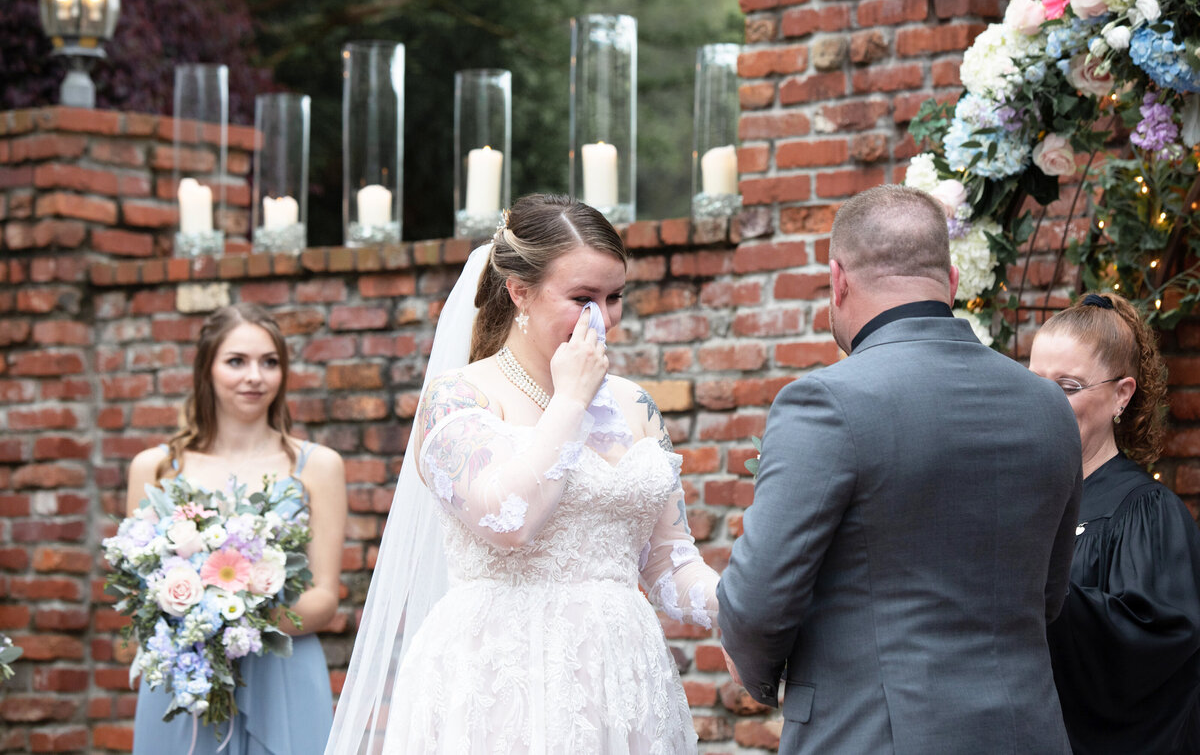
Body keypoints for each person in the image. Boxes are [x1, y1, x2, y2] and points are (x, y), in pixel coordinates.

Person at [324, 194, 718, 754]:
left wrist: (745, 603)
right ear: (519, 291)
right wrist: (571, 403)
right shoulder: (460, 398)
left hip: (620, 676)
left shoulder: (636, 405)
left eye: (615, 298)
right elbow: (508, 519)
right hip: (498, 676)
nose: (602, 320)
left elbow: (667, 562)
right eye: (583, 298)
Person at [717, 185, 1083, 754]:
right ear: (953, 281)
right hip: (1026, 730)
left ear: (838, 279)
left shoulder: (825, 401)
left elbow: (758, 600)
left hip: (875, 733)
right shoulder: (1049, 407)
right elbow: (1048, 597)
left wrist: (763, 678)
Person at [127, 303, 346, 755]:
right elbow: (138, 591)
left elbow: (325, 597)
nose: (255, 376)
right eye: (236, 361)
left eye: (270, 362)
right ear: (206, 369)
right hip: (188, 673)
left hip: (284, 672)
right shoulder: (154, 468)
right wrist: (199, 623)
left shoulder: (317, 467)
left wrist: (239, 623)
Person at [1030, 292, 1200, 753]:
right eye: (1034, 383)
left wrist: (1040, 592)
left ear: (1121, 395)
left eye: (1067, 386)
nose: (1045, 402)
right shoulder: (1023, 501)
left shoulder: (1146, 512)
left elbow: (1156, 646)